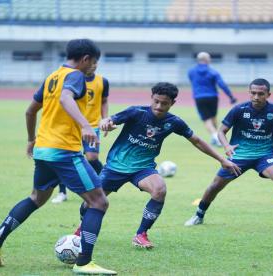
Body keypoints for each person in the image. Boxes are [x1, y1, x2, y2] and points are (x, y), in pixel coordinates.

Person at [0, 39, 116, 275]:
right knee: (99, 202)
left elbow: (30, 110)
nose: (94, 67)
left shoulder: (52, 77)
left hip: (43, 149)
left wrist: (31, 139)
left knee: (36, 198)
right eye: (94, 62)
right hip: (64, 151)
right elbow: (66, 99)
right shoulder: (75, 76)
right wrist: (85, 125)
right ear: (85, 59)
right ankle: (84, 262)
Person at [74, 82, 241, 249]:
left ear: (172, 103)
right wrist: (106, 122)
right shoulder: (136, 112)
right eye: (156, 101)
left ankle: (140, 234)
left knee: (159, 189)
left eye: (164, 103)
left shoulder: (174, 122)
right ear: (151, 98)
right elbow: (111, 120)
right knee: (91, 202)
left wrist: (221, 159)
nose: (159, 106)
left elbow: (197, 141)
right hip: (115, 167)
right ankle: (83, 227)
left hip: (143, 168)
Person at [184, 78, 273, 233]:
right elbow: (221, 131)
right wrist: (226, 146)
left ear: (268, 94)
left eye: (261, 93)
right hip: (239, 156)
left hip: (264, 156)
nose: (256, 97)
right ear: (249, 93)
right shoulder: (239, 109)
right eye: (253, 93)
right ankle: (199, 215)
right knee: (215, 186)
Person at [52, 63, 109, 204]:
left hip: (93, 125)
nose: (93, 65)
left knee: (92, 157)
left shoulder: (103, 81)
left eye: (96, 62)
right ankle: (62, 193)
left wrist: (105, 119)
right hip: (72, 126)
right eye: (91, 62)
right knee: (64, 158)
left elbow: (104, 101)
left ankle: (105, 183)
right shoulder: (73, 80)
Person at [188, 52, 237, 147]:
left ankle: (215, 137)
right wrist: (231, 96)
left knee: (206, 120)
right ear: (207, 60)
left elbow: (192, 82)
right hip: (213, 97)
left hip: (199, 97)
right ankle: (216, 137)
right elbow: (222, 84)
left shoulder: (191, 71)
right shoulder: (213, 72)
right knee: (213, 117)